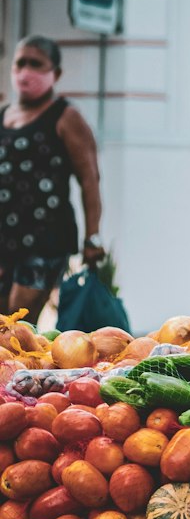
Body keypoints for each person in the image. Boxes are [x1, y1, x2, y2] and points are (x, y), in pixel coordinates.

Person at [0, 35, 104, 322]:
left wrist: (92, 236)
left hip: (46, 240)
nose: (26, 71)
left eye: (36, 64)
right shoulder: (4, 115)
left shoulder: (66, 117)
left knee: (16, 324)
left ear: (55, 73)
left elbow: (90, 178)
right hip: (4, 240)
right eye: (21, 63)